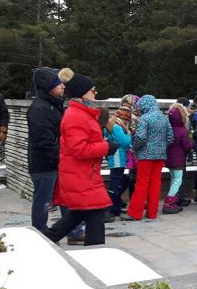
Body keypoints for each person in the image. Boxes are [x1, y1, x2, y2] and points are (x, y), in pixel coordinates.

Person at [45, 71, 113, 246]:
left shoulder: (83, 113)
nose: (95, 93)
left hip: (84, 175)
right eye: (92, 90)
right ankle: (96, 253)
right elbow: (79, 149)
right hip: (81, 176)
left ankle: (46, 240)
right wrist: (107, 147)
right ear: (83, 93)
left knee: (79, 213)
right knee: (95, 214)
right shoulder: (76, 115)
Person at [27, 67, 71, 233]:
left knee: (66, 197)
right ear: (48, 86)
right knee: (43, 201)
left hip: (57, 161)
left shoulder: (54, 105)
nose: (63, 87)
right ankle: (40, 232)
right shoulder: (39, 108)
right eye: (59, 84)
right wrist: (59, 156)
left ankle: (72, 230)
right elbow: (43, 140)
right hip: (44, 164)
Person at [126, 95, 173, 221]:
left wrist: (135, 147)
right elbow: (170, 138)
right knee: (155, 183)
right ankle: (152, 213)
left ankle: (135, 213)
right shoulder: (164, 119)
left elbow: (140, 137)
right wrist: (161, 146)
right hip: (160, 155)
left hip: (145, 155)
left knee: (142, 183)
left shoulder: (144, 119)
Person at [103, 101, 133, 221]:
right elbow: (125, 142)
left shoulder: (112, 125)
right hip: (117, 159)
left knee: (119, 182)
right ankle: (110, 209)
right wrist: (129, 134)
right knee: (115, 184)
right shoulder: (117, 127)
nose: (127, 123)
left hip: (115, 158)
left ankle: (115, 207)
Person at [163, 102, 194, 214]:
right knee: (177, 180)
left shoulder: (168, 129)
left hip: (168, 158)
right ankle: (169, 202)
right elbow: (187, 146)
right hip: (178, 159)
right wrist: (193, 143)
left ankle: (172, 200)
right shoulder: (182, 130)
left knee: (173, 179)